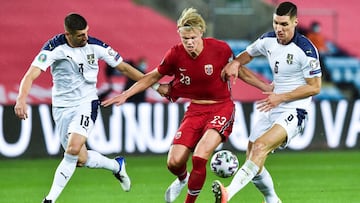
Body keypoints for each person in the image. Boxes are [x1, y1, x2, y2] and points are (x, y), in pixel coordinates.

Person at [102, 7, 271, 203]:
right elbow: (152, 77)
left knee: (199, 157)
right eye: (185, 38)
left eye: (192, 38)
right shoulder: (175, 54)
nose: (189, 42)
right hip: (195, 110)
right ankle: (183, 179)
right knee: (174, 163)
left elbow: (239, 70)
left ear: (201, 33)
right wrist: (126, 94)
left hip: (221, 107)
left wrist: (264, 86)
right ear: (179, 36)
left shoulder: (220, 49)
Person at [14, 13, 146, 203]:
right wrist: (21, 99)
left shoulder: (95, 45)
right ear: (68, 34)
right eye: (80, 35)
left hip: (86, 103)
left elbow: (124, 67)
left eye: (86, 33)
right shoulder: (54, 48)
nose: (85, 37)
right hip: (61, 107)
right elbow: (30, 75)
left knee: (73, 149)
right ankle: (117, 166)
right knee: (80, 159)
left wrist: (154, 84)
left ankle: (49, 200)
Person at [211, 2, 322, 203]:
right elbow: (248, 53)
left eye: (284, 24)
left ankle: (228, 193)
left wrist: (281, 96)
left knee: (261, 147)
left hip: (294, 110)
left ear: (295, 22)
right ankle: (272, 200)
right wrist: (236, 62)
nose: (279, 29)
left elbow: (315, 87)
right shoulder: (268, 39)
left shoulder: (305, 50)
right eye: (276, 23)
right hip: (272, 106)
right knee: (253, 154)